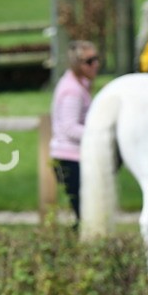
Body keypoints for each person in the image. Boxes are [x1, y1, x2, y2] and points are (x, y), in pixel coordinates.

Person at [50, 40, 101, 224]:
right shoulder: (72, 90)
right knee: (85, 216)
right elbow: (70, 128)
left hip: (74, 157)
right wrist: (100, 134)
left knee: (86, 215)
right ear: (77, 65)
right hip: (70, 158)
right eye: (89, 61)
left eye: (96, 59)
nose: (95, 64)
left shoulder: (79, 85)